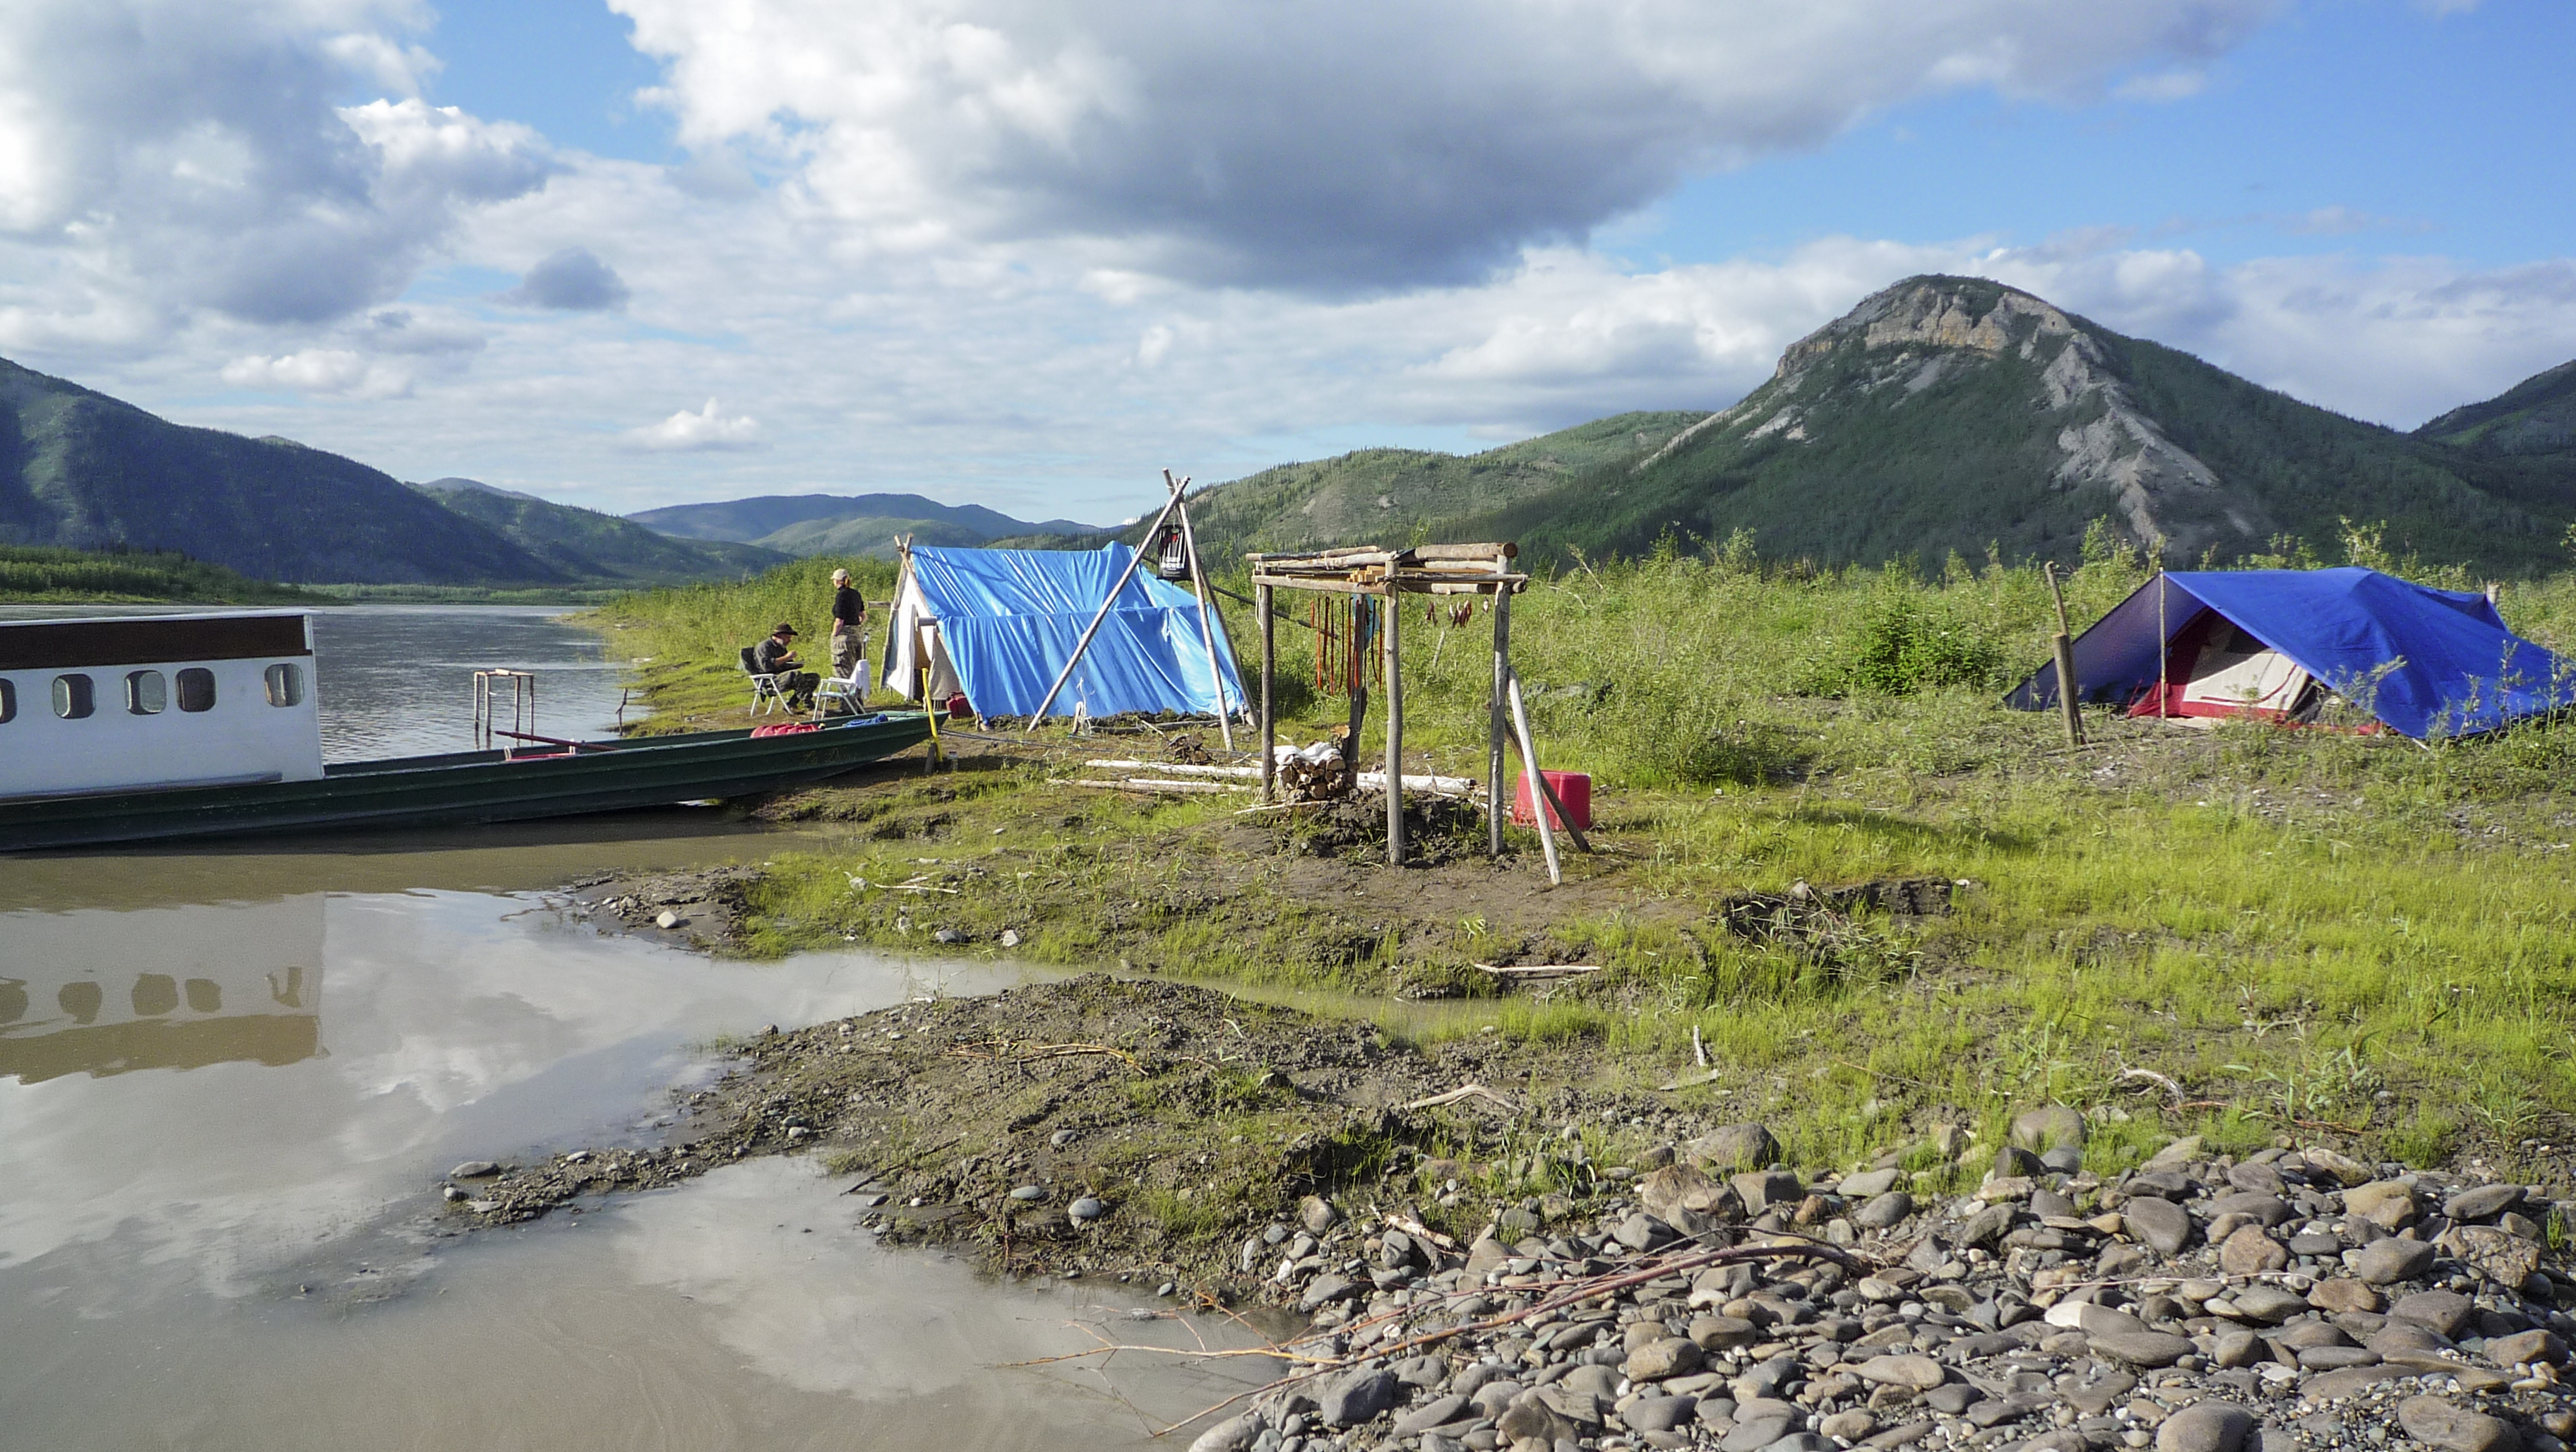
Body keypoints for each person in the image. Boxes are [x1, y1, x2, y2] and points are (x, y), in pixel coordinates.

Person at [753, 622, 819, 710]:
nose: (790, 640)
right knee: (795, 675)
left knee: (814, 677)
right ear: (780, 636)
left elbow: (785, 665)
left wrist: (795, 665)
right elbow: (767, 666)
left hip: (781, 677)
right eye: (788, 637)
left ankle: (792, 705)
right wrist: (787, 657)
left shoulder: (781, 647)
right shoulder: (763, 647)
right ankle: (810, 707)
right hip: (769, 681)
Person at [828, 566, 866, 706]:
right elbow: (863, 616)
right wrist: (856, 627)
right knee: (857, 669)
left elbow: (839, 620)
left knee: (843, 669)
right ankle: (858, 701)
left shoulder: (841, 595)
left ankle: (848, 704)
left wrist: (834, 635)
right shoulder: (856, 594)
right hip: (857, 634)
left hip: (844, 636)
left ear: (837, 581)